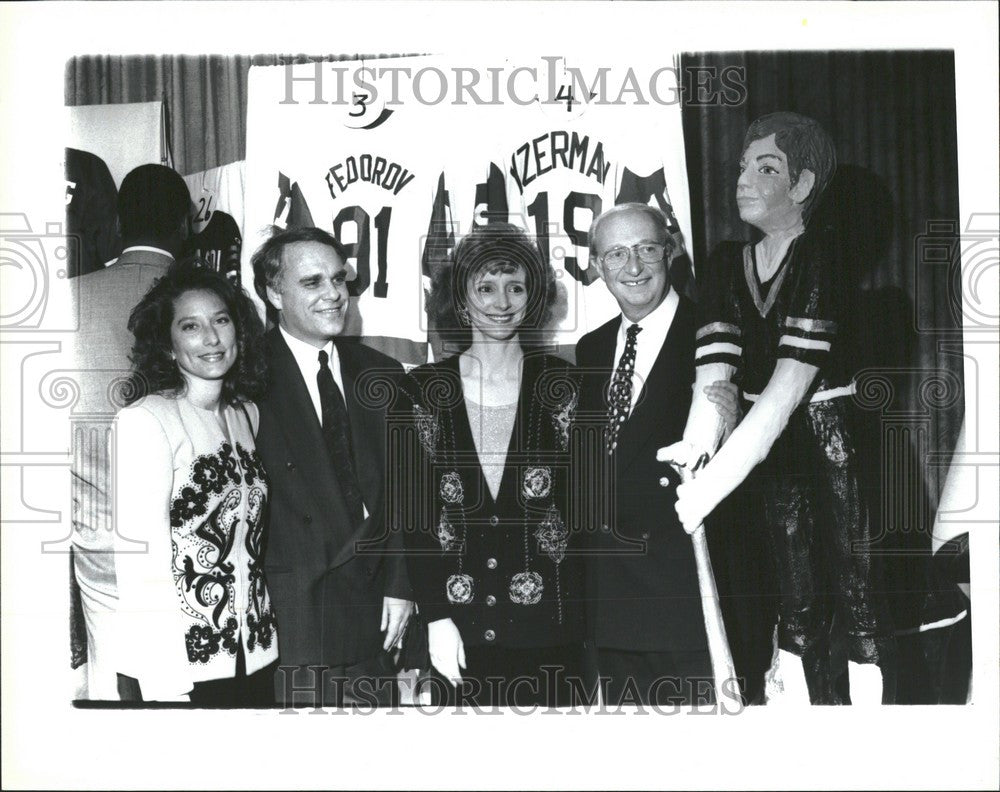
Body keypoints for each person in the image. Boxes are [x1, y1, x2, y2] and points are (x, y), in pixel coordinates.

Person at [659, 112, 896, 704]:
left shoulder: (824, 256)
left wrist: (710, 487)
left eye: (766, 168)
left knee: (857, 593)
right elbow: (715, 376)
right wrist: (697, 446)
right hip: (772, 451)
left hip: (833, 442)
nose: (743, 180)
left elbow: (789, 385)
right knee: (794, 598)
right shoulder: (723, 264)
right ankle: (795, 724)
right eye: (742, 166)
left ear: (803, 185)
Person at [398, 222, 585, 708]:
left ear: (534, 296)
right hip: (453, 639)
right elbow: (412, 521)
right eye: (485, 287)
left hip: (552, 637)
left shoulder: (567, 385)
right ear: (460, 299)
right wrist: (435, 617)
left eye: (516, 287)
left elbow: (587, 519)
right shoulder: (420, 390)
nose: (502, 302)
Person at [576, 203, 740, 706]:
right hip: (607, 589)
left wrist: (740, 413)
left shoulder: (717, 335)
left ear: (670, 253)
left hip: (683, 587)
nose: (634, 267)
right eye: (616, 254)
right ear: (598, 267)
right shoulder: (591, 348)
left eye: (647, 249)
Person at [251, 226, 414, 707]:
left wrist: (402, 587)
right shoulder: (245, 374)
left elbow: (406, 494)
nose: (333, 295)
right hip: (294, 623)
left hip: (376, 617)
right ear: (273, 292)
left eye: (338, 279)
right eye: (312, 283)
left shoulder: (380, 373)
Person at [111, 262, 277, 703]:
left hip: (257, 655)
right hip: (181, 668)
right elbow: (139, 562)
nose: (211, 338)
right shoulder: (145, 420)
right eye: (191, 326)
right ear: (166, 345)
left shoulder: (246, 414)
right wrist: (165, 684)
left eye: (221, 320)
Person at [70, 163, 192, 699]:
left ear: (117, 222)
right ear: (186, 225)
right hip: (198, 546)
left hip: (98, 536)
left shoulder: (66, 296)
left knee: (109, 688)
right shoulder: (217, 309)